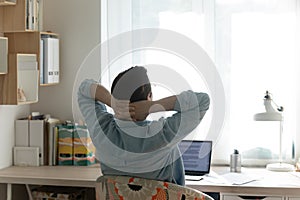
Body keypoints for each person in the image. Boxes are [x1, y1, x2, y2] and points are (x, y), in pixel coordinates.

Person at [77, 66, 210, 186]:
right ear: (149, 97)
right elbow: (203, 101)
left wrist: (113, 102)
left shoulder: (101, 130)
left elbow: (84, 89)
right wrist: (154, 106)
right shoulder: (164, 134)